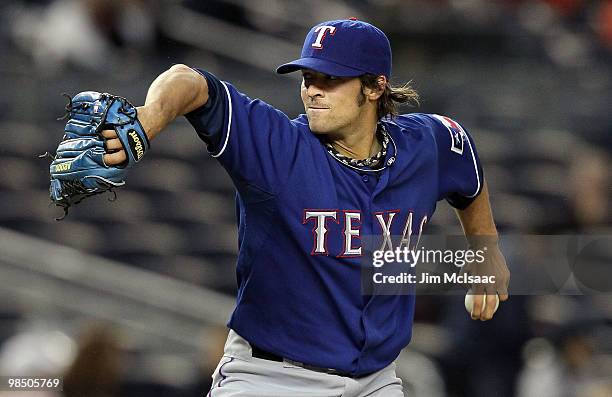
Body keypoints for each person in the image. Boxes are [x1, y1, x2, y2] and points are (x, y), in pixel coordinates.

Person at [101, 18, 510, 397]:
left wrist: (486, 252)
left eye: (329, 79)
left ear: (374, 87)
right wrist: (151, 116)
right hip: (271, 378)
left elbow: (467, 166)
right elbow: (190, 82)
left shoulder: (425, 144)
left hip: (376, 380)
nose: (312, 89)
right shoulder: (276, 146)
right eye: (308, 77)